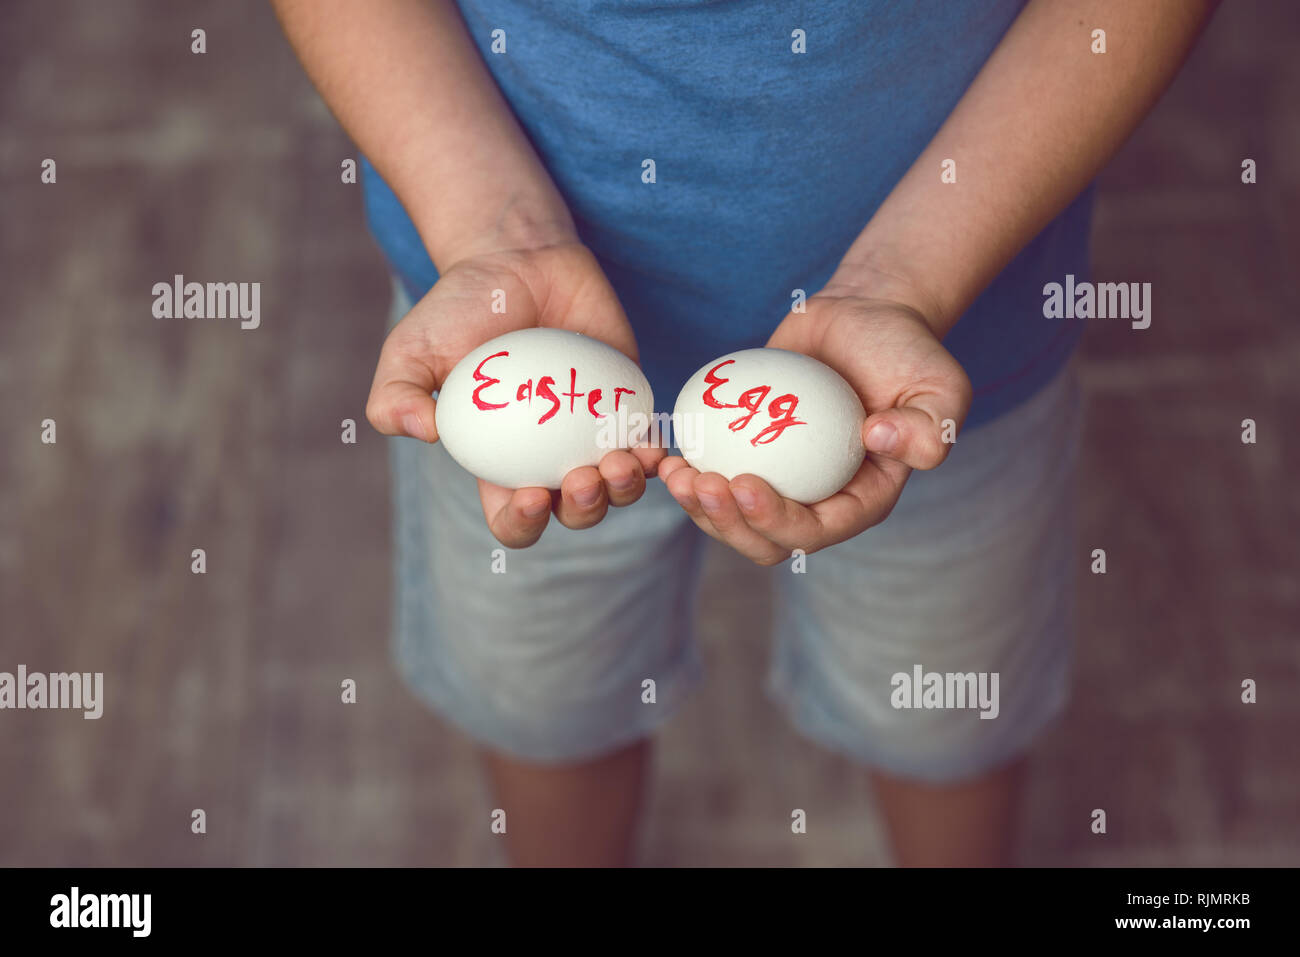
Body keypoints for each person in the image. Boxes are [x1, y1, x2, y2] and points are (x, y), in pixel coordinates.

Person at [272, 0, 1219, 866]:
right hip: (504, 321)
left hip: (942, 339)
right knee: (544, 703)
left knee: (946, 722)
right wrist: (493, 234)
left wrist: (911, 279)